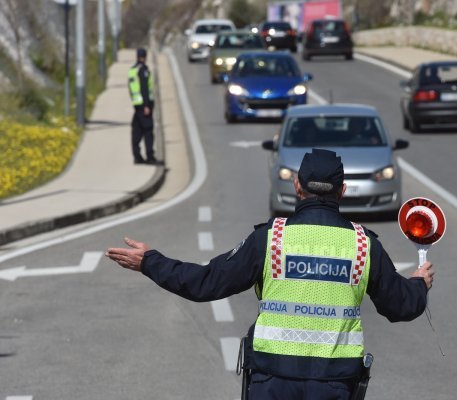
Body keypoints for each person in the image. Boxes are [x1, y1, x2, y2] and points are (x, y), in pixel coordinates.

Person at [105, 148, 435, 399]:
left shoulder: (271, 238)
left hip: (271, 384)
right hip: (334, 385)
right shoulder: (364, 245)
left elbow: (204, 283)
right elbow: (401, 306)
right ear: (342, 191)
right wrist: (419, 282)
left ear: (297, 185)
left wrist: (149, 261)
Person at [128, 47, 157, 164]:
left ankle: (137, 156)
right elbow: (144, 88)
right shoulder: (143, 70)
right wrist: (146, 106)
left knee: (136, 131)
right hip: (144, 105)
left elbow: (131, 89)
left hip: (136, 105)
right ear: (144, 57)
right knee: (148, 131)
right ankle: (150, 156)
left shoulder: (132, 70)